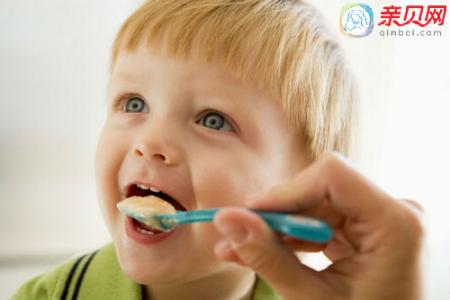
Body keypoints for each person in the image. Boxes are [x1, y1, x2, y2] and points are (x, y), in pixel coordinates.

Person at [13, 0, 424, 299]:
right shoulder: (51, 294)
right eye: (134, 104)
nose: (149, 143)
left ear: (304, 191)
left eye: (213, 120)